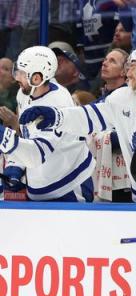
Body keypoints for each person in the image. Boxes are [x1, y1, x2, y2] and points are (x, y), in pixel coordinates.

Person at [19, 45, 136, 215]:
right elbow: (89, 117)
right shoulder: (122, 98)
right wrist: (56, 117)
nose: (128, 73)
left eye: (134, 66)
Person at [0, 46, 95, 202]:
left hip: (70, 184)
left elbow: (37, 154)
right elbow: (27, 137)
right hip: (41, 183)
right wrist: (14, 166)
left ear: (37, 78)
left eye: (22, 73)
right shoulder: (24, 92)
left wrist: (5, 137)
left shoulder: (58, 103)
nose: (16, 77)